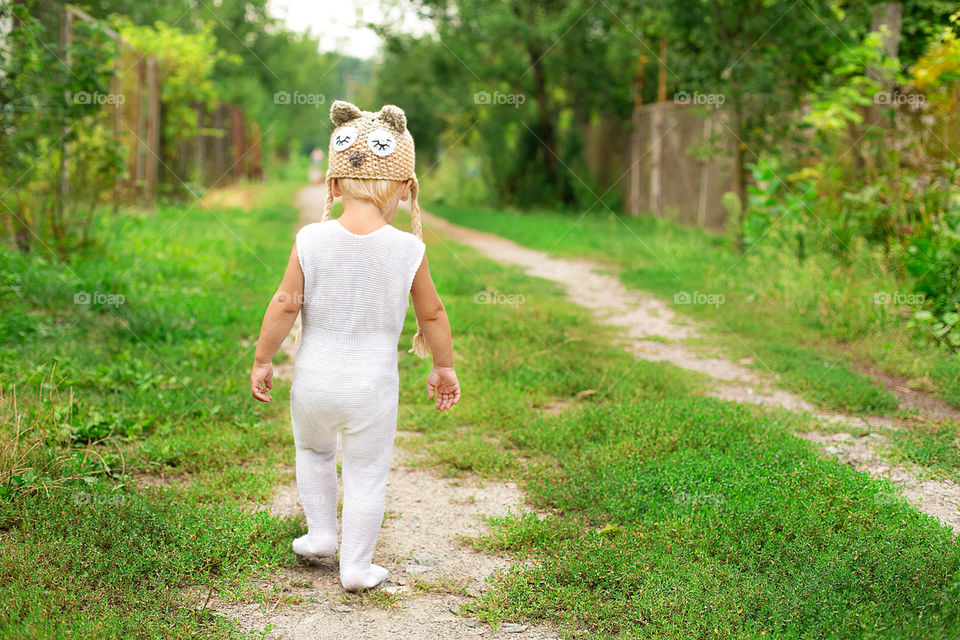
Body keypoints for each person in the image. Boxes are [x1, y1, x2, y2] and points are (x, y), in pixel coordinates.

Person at [249, 100, 461, 591]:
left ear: (335, 182)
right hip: (372, 390)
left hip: (315, 384)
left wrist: (263, 359)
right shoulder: (408, 249)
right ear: (405, 189)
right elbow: (432, 313)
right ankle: (356, 567)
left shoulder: (311, 239)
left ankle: (321, 535)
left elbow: (284, 303)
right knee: (367, 474)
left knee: (313, 452)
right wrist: (443, 366)